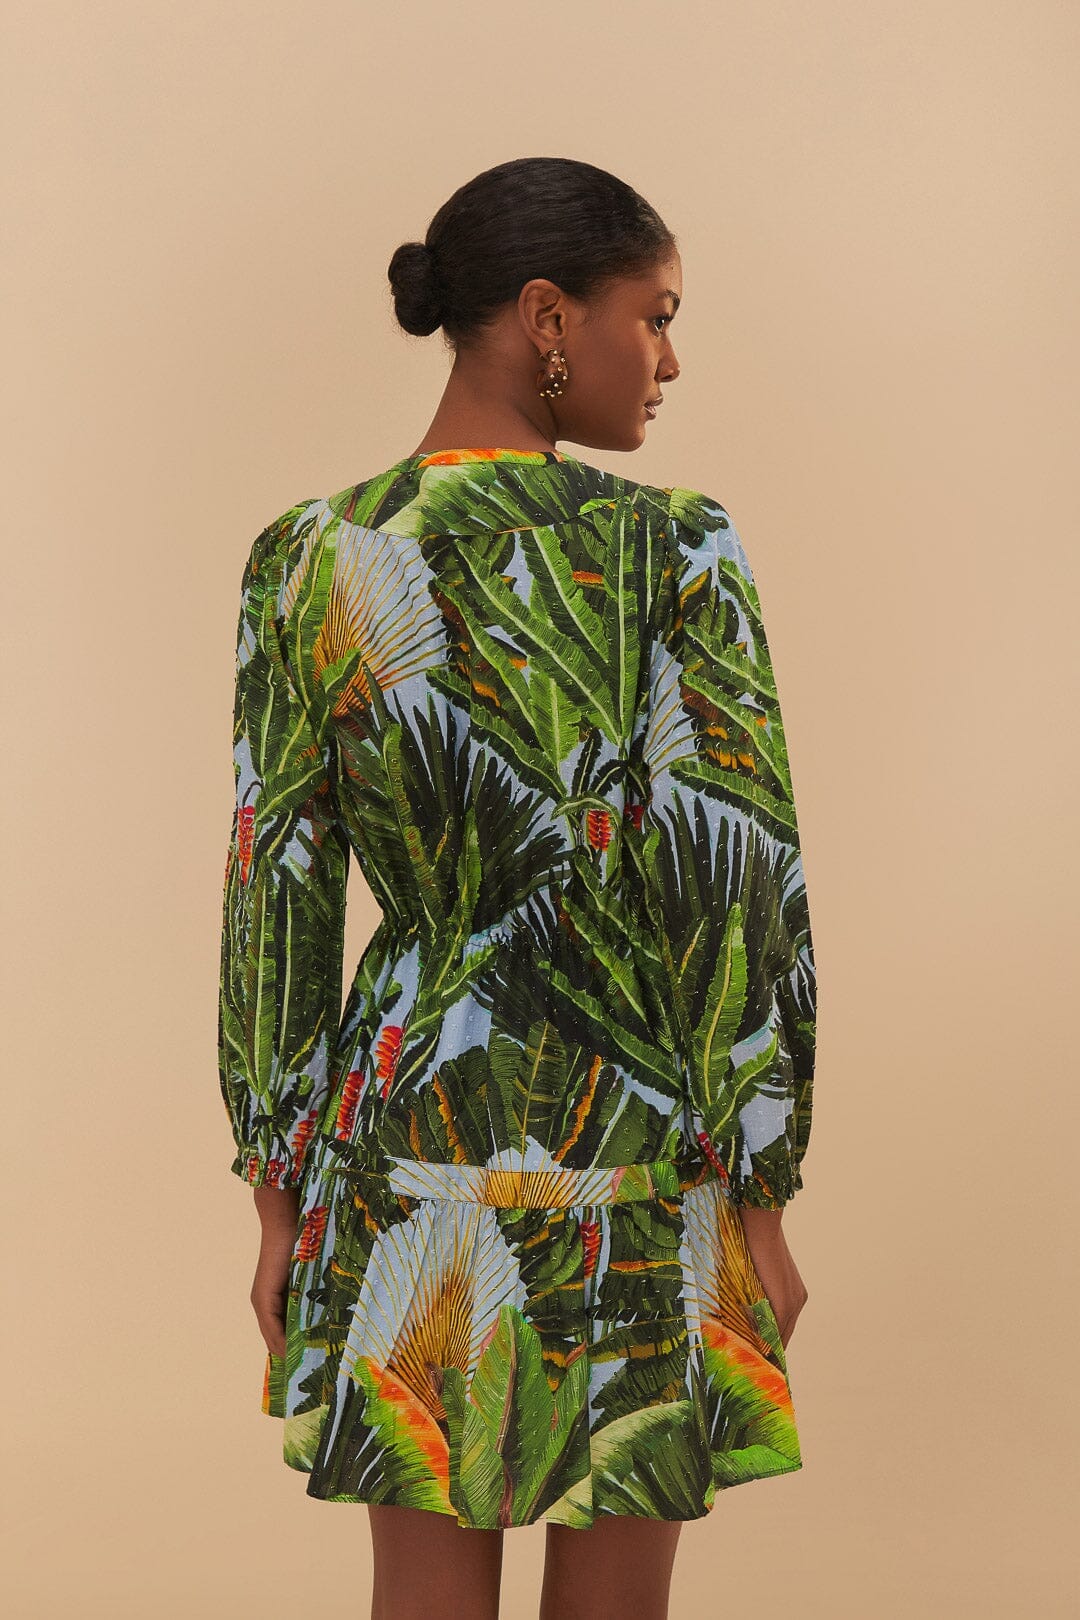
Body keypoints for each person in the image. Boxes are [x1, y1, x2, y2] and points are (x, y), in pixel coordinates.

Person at [217, 156, 816, 1620]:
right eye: (653, 316)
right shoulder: (676, 547)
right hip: (638, 1138)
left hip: (405, 1138)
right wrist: (764, 1191)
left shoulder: (310, 555)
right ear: (550, 317)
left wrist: (278, 1192)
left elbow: (276, 889)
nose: (668, 360)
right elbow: (740, 887)